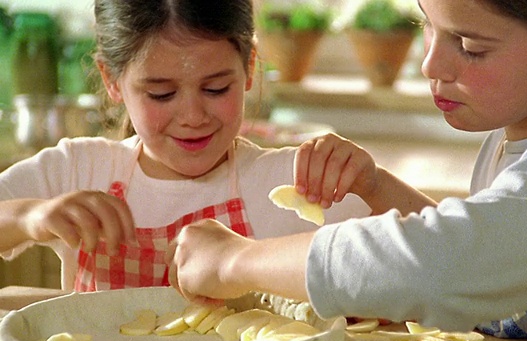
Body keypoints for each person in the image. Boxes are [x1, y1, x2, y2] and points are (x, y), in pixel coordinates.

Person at [166, 0, 527, 341]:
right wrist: (375, 185)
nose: (431, 65)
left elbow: (447, 265)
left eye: (470, 47)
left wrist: (235, 260)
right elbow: (497, 259)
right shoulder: (525, 129)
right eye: (427, 27)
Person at [0, 0, 372, 292]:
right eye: (161, 94)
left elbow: (425, 252)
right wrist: (28, 217)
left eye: (216, 89)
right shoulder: (79, 170)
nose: (193, 116)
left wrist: (373, 183)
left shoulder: (290, 183)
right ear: (111, 80)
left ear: (249, 67)